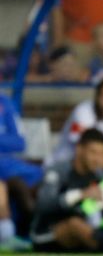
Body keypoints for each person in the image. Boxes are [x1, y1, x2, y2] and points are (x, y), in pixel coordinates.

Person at [52, 78, 103, 181]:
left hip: (100, 164)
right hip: (68, 164)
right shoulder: (84, 111)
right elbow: (85, 152)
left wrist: (102, 158)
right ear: (97, 97)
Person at [0, 94, 41, 251]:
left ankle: (36, 228)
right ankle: (6, 235)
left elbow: (19, 142)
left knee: (41, 176)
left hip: (7, 163)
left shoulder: (5, 103)